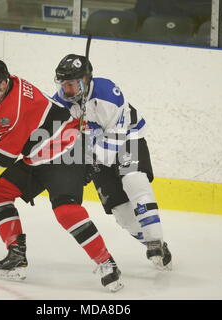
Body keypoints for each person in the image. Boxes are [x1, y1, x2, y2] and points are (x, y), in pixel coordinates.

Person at [0, 57, 123, 292]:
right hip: (39, 155)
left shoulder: (10, 110)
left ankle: (107, 263)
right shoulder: (14, 84)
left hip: (66, 151)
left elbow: (2, 157)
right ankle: (16, 254)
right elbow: (13, 144)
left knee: (66, 211)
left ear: (3, 84)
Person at [52, 54, 172, 270]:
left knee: (134, 181)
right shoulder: (61, 100)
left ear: (85, 80)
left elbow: (117, 135)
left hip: (127, 138)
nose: (66, 90)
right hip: (94, 150)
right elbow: (59, 134)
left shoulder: (107, 93)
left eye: (70, 84)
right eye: (63, 84)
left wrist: (90, 163)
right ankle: (154, 245)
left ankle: (155, 239)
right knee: (122, 213)